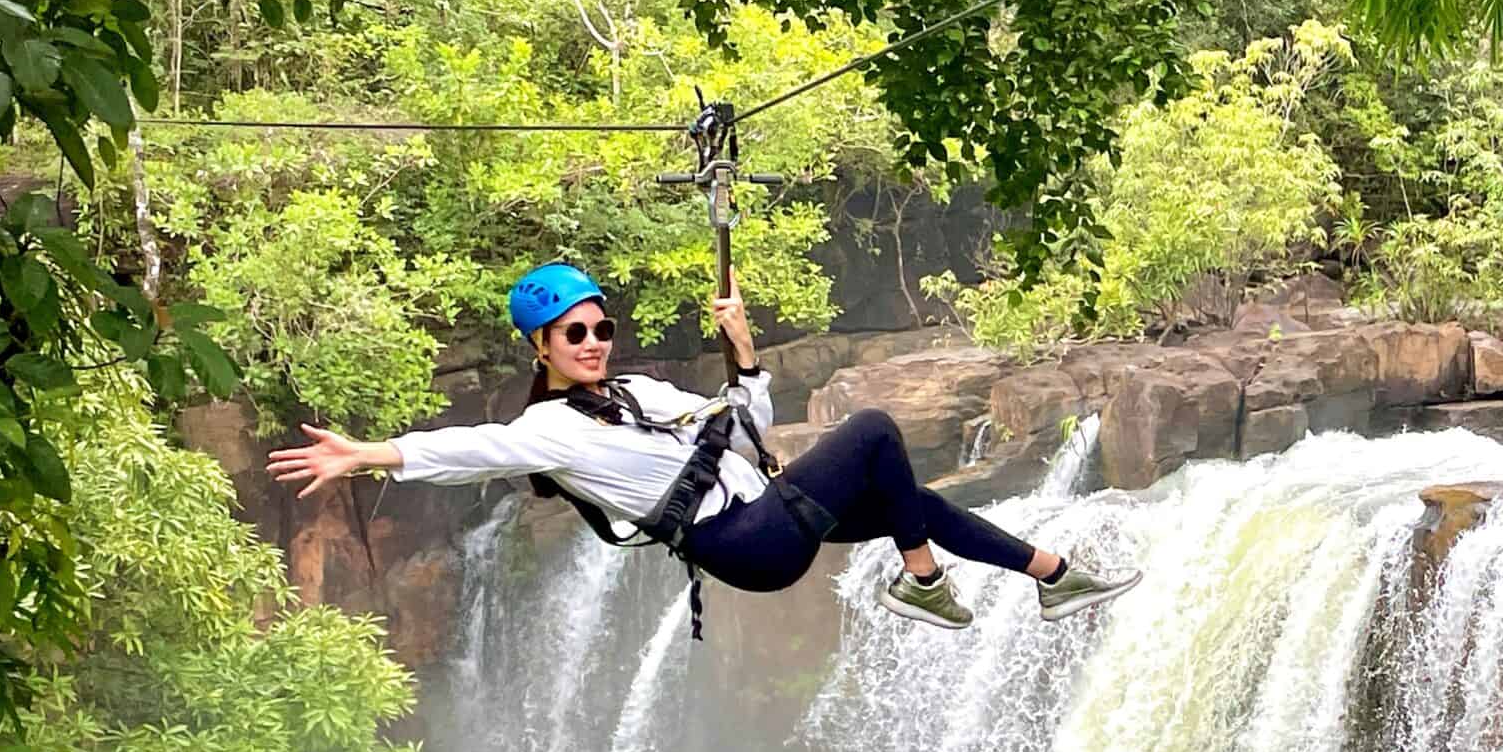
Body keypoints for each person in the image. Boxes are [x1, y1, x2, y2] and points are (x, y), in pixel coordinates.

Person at [268, 262, 1138, 631]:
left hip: (765, 506)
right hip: (743, 546)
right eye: (573, 333)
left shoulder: (641, 391)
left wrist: (746, 347)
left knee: (912, 501)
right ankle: (923, 585)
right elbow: (472, 448)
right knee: (874, 431)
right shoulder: (551, 432)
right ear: (540, 347)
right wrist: (368, 454)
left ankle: (1052, 578)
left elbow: (741, 413)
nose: (593, 341)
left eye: (600, 327)